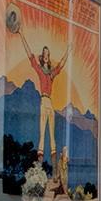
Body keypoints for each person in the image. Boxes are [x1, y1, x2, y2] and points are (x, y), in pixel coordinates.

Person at [17, 30, 71, 163]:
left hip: (50, 104)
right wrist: (21, 34)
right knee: (42, 133)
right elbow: (30, 55)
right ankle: (39, 166)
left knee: (52, 135)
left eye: (48, 53)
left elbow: (61, 64)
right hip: (43, 101)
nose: (46, 55)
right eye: (44, 53)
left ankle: (53, 169)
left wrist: (68, 50)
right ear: (42, 56)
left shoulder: (51, 74)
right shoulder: (40, 70)